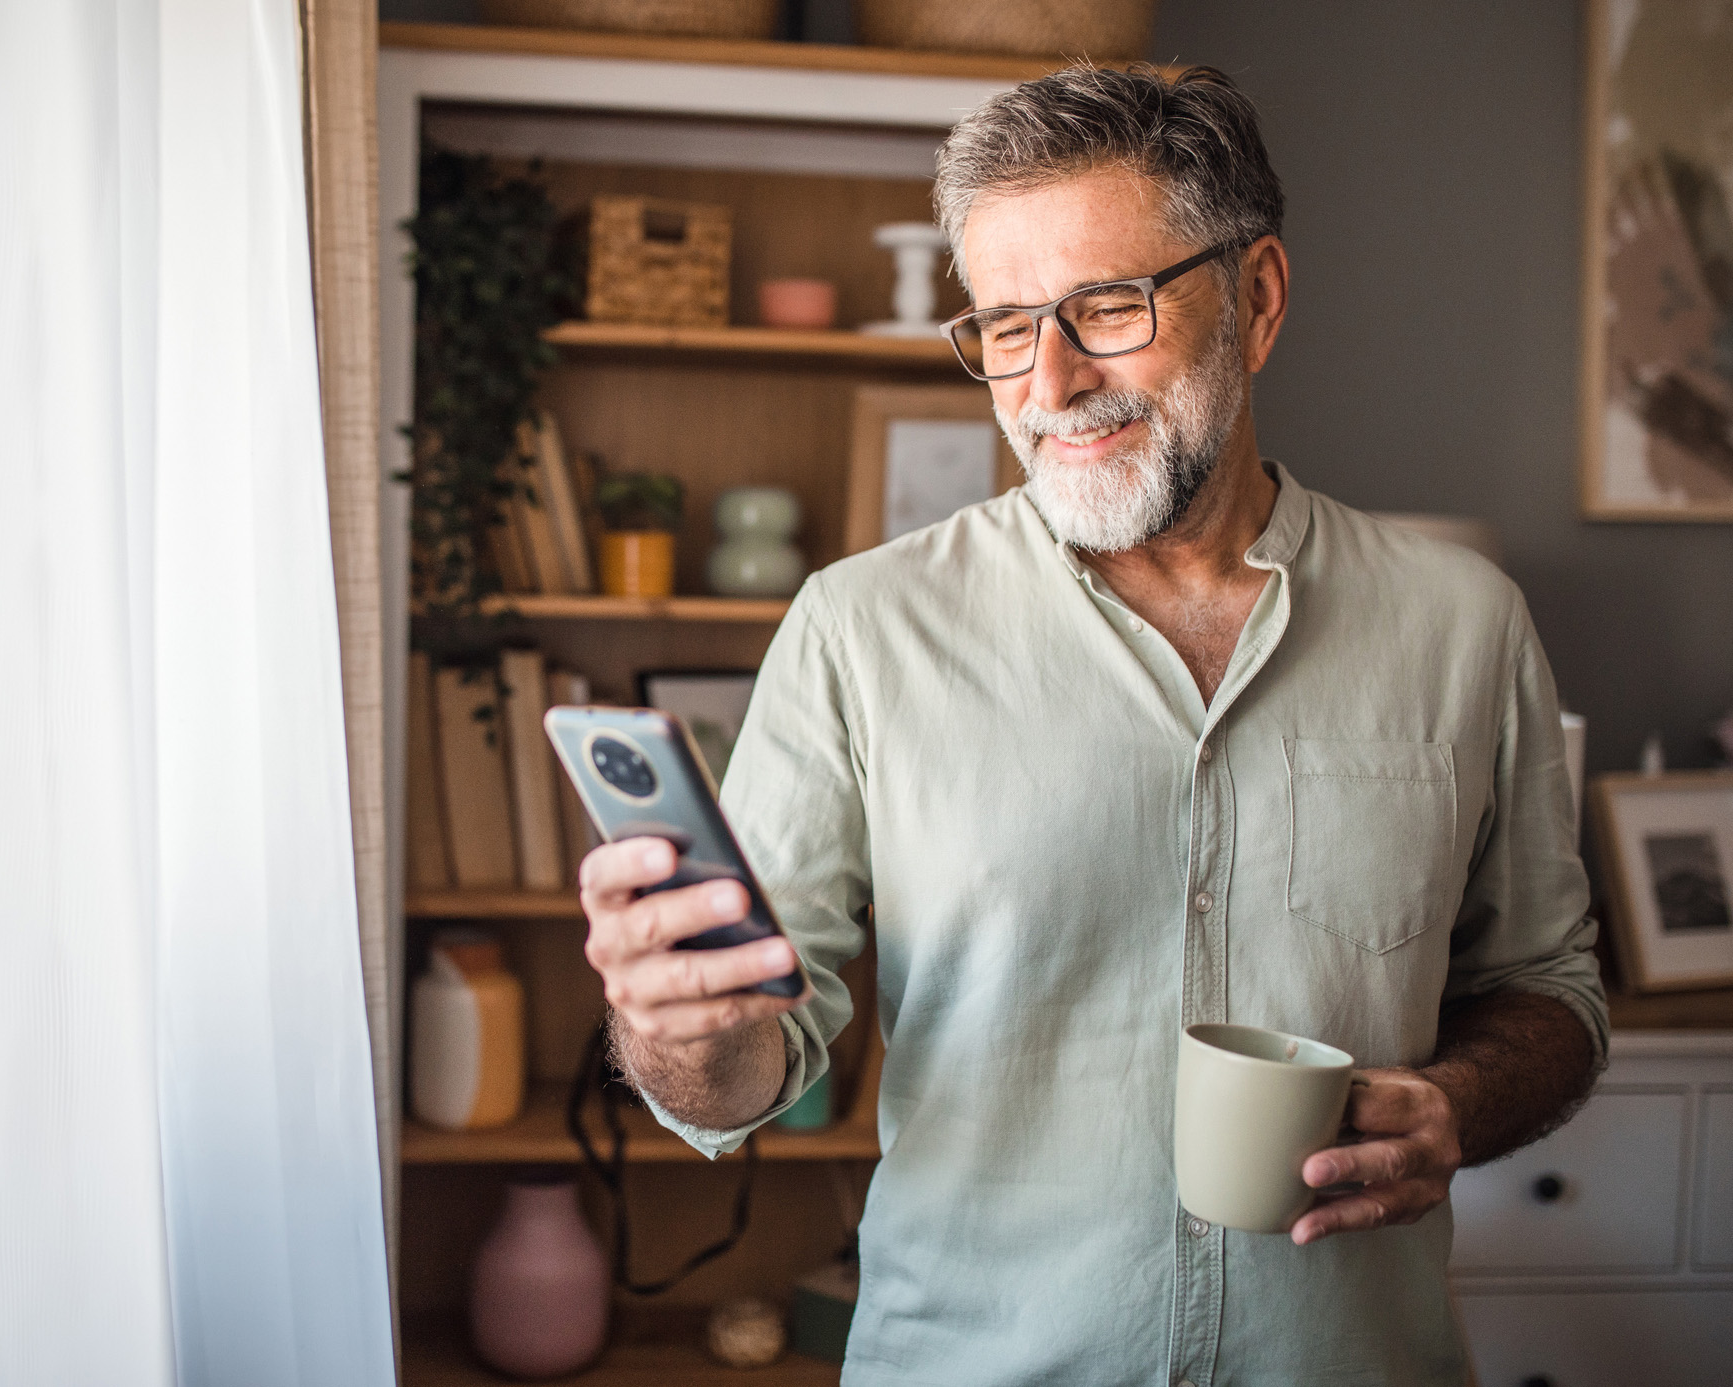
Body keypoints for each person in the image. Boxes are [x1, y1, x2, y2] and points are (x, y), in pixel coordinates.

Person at [578, 63, 1605, 1386]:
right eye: (1005, 327)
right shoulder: (859, 630)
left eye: (1106, 308)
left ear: (1261, 297)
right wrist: (673, 1025)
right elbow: (747, 1074)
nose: (1049, 382)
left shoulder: (1464, 626)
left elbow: (1553, 996)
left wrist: (1459, 1107)